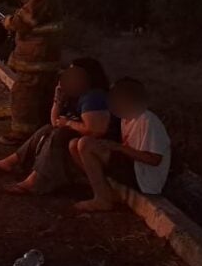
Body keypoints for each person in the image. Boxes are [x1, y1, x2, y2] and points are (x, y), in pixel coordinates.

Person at [0, 57, 116, 194]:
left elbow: (96, 130)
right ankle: (13, 161)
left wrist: (68, 123)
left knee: (59, 135)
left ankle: (35, 180)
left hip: (94, 146)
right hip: (77, 140)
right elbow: (54, 122)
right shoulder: (75, 94)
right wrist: (58, 100)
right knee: (48, 129)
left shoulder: (93, 97)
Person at [71, 77, 171, 212]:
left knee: (85, 144)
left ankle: (102, 199)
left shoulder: (147, 120)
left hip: (144, 177)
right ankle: (105, 192)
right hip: (131, 166)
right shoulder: (125, 118)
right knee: (74, 144)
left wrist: (118, 147)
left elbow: (154, 159)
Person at [0, 0, 63, 146]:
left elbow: (22, 22)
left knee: (24, 95)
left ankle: (21, 133)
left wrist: (7, 22)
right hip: (43, 57)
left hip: (35, 58)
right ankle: (40, 132)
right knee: (41, 97)